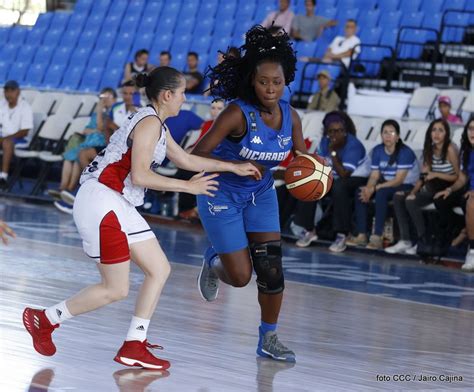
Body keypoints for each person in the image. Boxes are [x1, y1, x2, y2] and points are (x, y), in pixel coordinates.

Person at [22, 66, 260, 369]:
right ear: (167, 95)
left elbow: (184, 159)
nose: (186, 98)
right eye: (183, 93)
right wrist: (187, 185)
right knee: (115, 289)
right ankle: (45, 318)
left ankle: (134, 343)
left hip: (117, 203)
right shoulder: (149, 124)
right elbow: (140, 175)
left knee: (159, 268)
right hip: (102, 203)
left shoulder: (156, 122)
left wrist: (233, 167)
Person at [193, 25, 307, 363]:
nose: (270, 88)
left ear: (287, 81)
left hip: (260, 193)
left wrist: (316, 173)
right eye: (263, 82)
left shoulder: (292, 116)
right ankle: (214, 263)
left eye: (277, 82)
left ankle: (268, 337)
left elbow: (301, 162)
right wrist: (234, 167)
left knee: (271, 269)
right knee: (241, 277)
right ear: (251, 81)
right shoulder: (236, 114)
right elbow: (195, 157)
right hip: (220, 192)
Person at [293, 111, 366, 252]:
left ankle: (342, 233)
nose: (335, 134)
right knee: (310, 183)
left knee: (339, 187)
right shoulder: (324, 141)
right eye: (331, 131)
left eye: (339, 131)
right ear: (327, 132)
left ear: (345, 131)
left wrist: (333, 152)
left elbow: (344, 174)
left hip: (356, 178)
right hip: (334, 177)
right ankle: (309, 230)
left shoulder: (354, 145)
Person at [388, 119, 460, 255]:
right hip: (430, 188)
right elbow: (423, 177)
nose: (436, 134)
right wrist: (413, 192)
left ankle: (423, 241)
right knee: (400, 197)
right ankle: (405, 240)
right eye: (434, 130)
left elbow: (458, 176)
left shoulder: (450, 149)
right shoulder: (429, 150)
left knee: (411, 201)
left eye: (440, 130)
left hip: (447, 189)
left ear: (446, 134)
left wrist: (436, 174)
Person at [348, 120, 419, 250]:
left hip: (407, 185)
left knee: (381, 193)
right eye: (385, 132)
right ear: (381, 135)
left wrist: (376, 188)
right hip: (387, 184)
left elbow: (399, 180)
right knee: (361, 191)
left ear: (397, 137)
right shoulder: (378, 151)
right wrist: (369, 189)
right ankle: (361, 234)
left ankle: (377, 237)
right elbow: (374, 175)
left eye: (391, 132)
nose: (387, 135)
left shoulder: (405, 152)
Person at [49, 87, 117, 214]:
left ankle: (71, 188)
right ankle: (63, 188)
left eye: (107, 97)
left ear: (114, 98)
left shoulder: (110, 113)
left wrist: (99, 110)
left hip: (101, 143)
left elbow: (100, 127)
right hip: (89, 141)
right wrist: (95, 126)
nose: (104, 100)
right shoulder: (96, 115)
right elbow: (86, 130)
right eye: (102, 97)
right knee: (70, 157)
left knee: (78, 157)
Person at [432, 118, 474, 271]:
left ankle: (471, 250)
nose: (472, 132)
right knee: (441, 199)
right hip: (468, 190)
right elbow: (462, 177)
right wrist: (449, 190)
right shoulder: (467, 150)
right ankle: (462, 229)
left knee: (471, 201)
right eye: (470, 128)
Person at [178, 98, 226, 220]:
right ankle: (187, 210)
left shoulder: (228, 127)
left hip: (218, 162)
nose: (215, 111)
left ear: (225, 110)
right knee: (184, 172)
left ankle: (195, 210)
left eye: (219, 108)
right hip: (204, 160)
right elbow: (198, 144)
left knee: (192, 173)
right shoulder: (207, 124)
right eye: (213, 108)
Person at [0, 80, 33, 189]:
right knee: (5, 141)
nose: (8, 94)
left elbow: (25, 131)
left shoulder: (25, 107)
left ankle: (3, 177)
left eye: (11, 91)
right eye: (6, 91)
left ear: (18, 92)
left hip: (20, 139)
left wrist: (4, 138)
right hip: (3, 135)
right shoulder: (2, 104)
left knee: (7, 143)